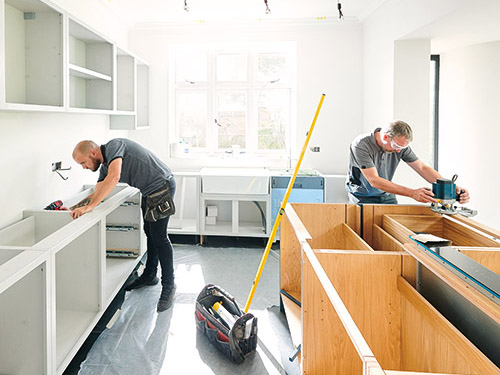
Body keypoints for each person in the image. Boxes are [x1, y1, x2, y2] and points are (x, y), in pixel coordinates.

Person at [70, 138, 177, 312]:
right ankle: (150, 275)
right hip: (149, 192)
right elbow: (98, 191)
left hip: (162, 186)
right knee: (149, 232)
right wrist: (77, 207)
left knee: (160, 238)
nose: (84, 167)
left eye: (83, 162)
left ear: (93, 153)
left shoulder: (115, 146)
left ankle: (169, 286)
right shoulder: (105, 167)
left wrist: (90, 207)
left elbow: (115, 176)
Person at [345, 120, 470, 205]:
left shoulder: (399, 147)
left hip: (387, 195)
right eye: (396, 145)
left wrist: (449, 187)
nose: (398, 150)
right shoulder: (361, 145)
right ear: (385, 137)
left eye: (403, 148)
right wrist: (412, 193)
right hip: (362, 196)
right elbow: (374, 180)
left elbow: (422, 168)